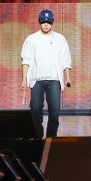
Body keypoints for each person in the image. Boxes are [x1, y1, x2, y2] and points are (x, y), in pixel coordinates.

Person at [20, 9, 72, 138]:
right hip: (37, 80)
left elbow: (66, 60)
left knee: (54, 111)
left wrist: (67, 77)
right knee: (35, 108)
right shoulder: (31, 39)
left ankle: (51, 139)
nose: (46, 25)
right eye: (44, 22)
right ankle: (38, 137)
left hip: (54, 80)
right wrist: (24, 79)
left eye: (49, 22)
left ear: (52, 22)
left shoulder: (60, 39)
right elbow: (25, 60)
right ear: (39, 22)